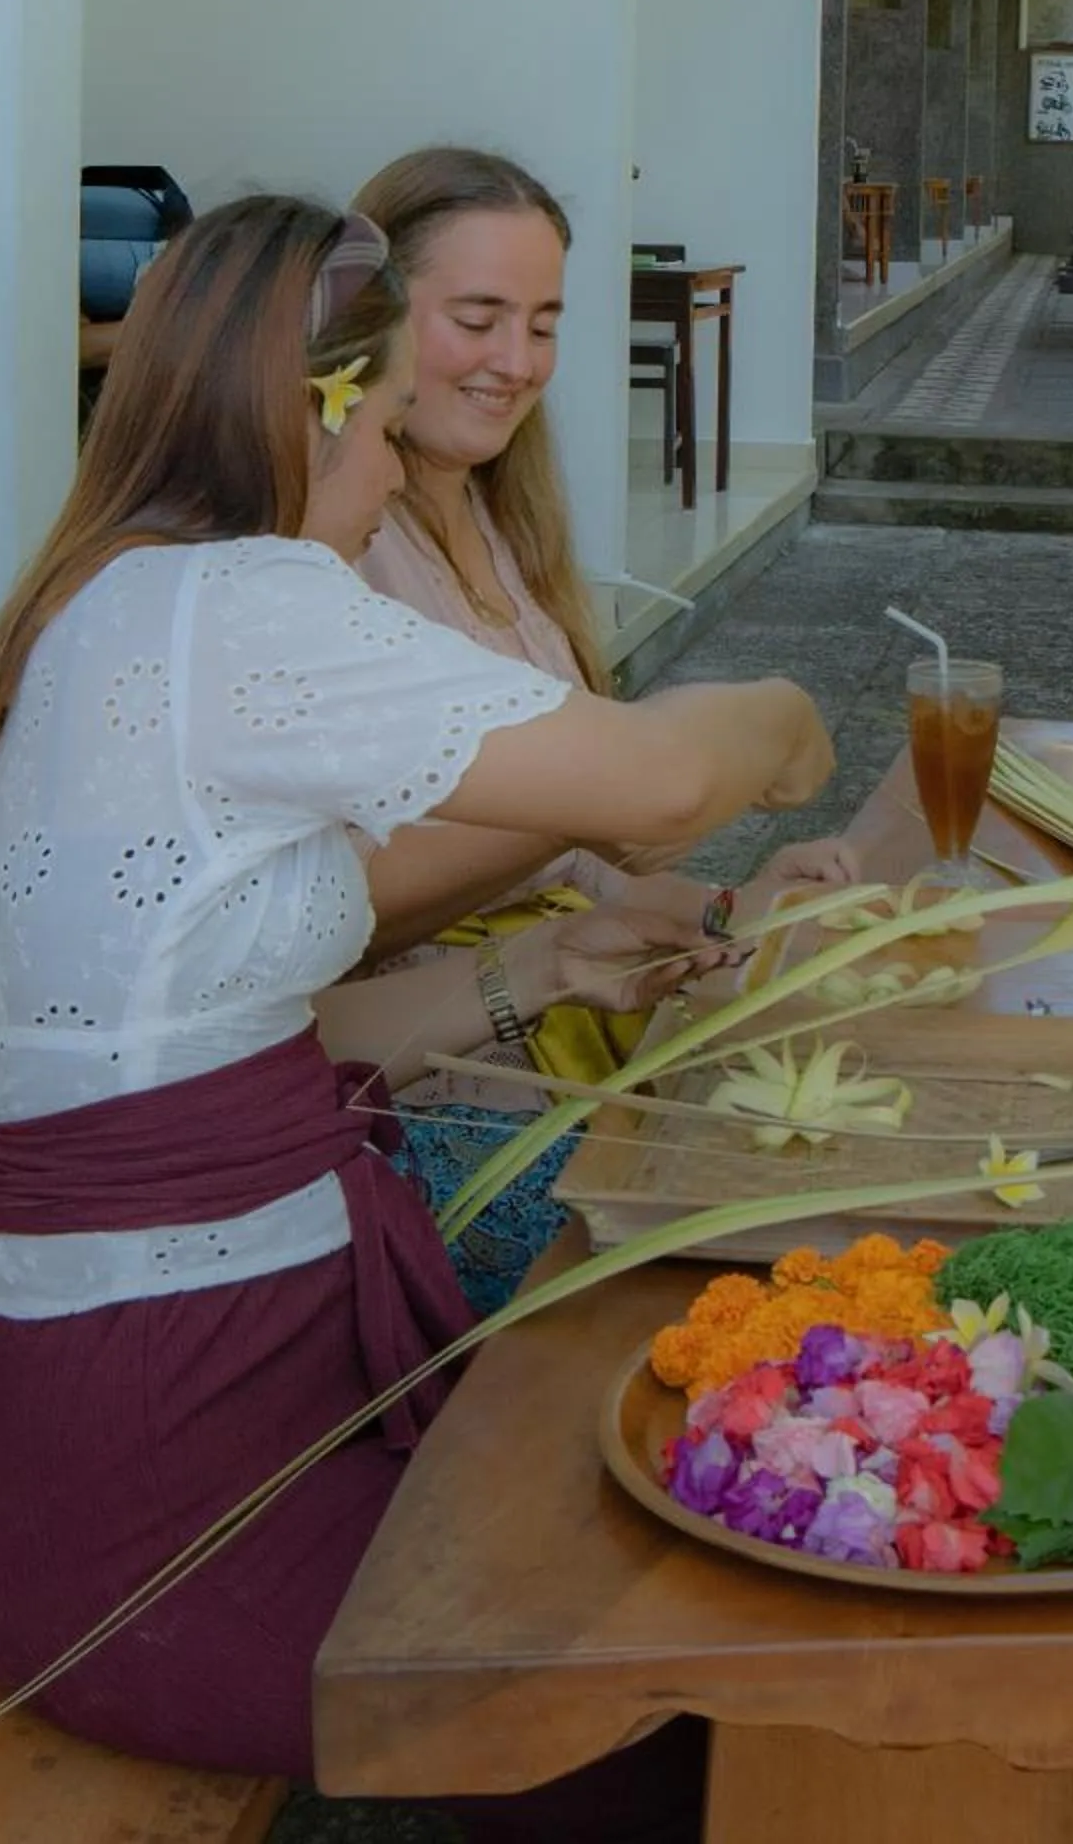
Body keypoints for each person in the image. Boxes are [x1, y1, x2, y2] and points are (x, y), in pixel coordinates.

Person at [0, 196, 836, 1800]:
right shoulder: (244, 602)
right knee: (645, 1658)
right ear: (329, 409)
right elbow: (661, 786)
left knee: (645, 1536)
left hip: (154, 1404)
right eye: (399, 419)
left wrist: (543, 968)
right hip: (164, 1472)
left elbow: (222, 1049)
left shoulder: (126, 599)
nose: (411, 469)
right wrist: (788, 715)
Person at [345, 147, 851, 1304]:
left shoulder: (500, 513)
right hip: (429, 1101)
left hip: (557, 1032)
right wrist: (612, 798)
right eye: (476, 318)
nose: (516, 363)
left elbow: (582, 865)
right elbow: (337, 914)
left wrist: (722, 907)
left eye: (543, 325)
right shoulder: (336, 545)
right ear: (367, 324)